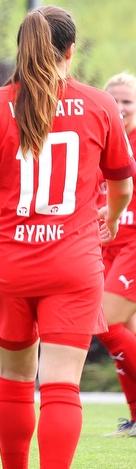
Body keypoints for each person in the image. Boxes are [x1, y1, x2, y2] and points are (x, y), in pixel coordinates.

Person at [0, 6, 135, 469]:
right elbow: (122, 184)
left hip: (8, 264)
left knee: (14, 378)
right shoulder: (99, 106)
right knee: (61, 386)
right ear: (72, 51)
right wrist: (111, 219)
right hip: (73, 264)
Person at [94, 71, 136, 438]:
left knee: (105, 323)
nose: (120, 108)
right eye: (115, 101)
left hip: (133, 246)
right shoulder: (102, 137)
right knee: (125, 332)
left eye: (128, 102)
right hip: (107, 245)